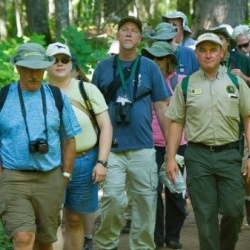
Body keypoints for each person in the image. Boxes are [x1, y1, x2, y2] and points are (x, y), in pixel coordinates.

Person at [92, 16, 172, 250]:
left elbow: (161, 107)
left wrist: (170, 151)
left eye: (133, 31)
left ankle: (143, 246)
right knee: (113, 201)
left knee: (146, 204)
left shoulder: (149, 67)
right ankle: (107, 244)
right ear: (117, 35)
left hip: (143, 148)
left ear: (139, 38)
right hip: (112, 150)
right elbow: (93, 107)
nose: (128, 34)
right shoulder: (103, 67)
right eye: (124, 30)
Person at [165, 32, 250, 250]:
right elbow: (176, 122)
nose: (208, 54)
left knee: (234, 211)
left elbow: (248, 119)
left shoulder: (236, 83)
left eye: (213, 50)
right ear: (197, 54)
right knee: (205, 215)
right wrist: (171, 157)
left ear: (222, 53)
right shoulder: (186, 85)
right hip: (198, 156)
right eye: (203, 50)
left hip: (229, 154)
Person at [0, 42, 81, 250]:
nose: (34, 74)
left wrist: (65, 175)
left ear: (45, 68)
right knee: (23, 237)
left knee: (45, 241)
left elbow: (69, 139)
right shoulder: (3, 97)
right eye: (28, 68)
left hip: (50, 176)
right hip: (13, 178)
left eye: (38, 69)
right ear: (17, 68)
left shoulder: (56, 96)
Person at [46, 42, 113, 250]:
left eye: (64, 60)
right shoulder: (39, 91)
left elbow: (106, 127)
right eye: (54, 60)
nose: (60, 64)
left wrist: (101, 162)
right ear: (45, 65)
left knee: (75, 220)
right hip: (51, 164)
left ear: (71, 63)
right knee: (53, 221)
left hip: (85, 161)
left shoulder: (87, 90)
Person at [141, 41, 187, 249]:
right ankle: (157, 237)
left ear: (170, 60)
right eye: (151, 57)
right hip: (149, 144)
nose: (154, 62)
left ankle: (173, 236)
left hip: (178, 145)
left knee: (176, 192)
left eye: (159, 57)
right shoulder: (143, 82)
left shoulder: (181, 82)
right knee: (152, 193)